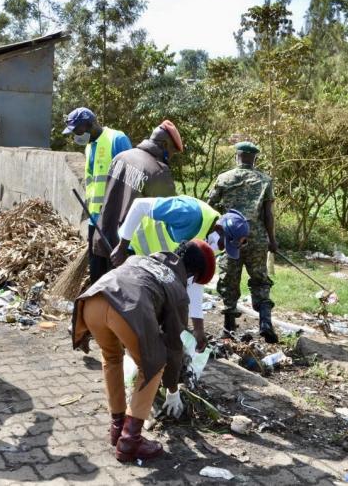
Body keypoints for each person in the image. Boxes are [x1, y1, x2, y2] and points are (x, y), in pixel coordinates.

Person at [72, 240, 217, 463]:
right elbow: (174, 347)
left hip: (92, 301)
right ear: (193, 274)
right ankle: (130, 440)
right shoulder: (177, 289)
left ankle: (117, 427)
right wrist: (172, 389)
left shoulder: (142, 258)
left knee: (111, 358)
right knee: (153, 364)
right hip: (127, 309)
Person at [110, 195, 250, 349]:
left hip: (155, 266)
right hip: (132, 246)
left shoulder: (210, 245)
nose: (221, 249)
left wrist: (198, 328)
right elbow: (140, 205)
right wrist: (123, 246)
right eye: (223, 244)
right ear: (218, 229)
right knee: (127, 308)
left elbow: (196, 282)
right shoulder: (190, 213)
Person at [208, 141, 278, 343]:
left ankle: (228, 328)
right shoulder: (265, 180)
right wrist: (272, 240)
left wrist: (215, 230)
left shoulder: (224, 178)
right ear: (254, 158)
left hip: (231, 236)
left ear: (237, 156)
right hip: (256, 238)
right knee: (260, 279)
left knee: (229, 279)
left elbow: (210, 206)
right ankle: (265, 323)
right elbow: (268, 215)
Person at [93, 120, 183, 270]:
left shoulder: (120, 157)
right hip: (127, 251)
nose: (171, 156)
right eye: (173, 151)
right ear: (164, 145)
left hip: (104, 236)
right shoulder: (158, 171)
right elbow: (167, 214)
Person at [63, 107, 132, 283]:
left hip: (113, 220)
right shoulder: (89, 147)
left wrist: (122, 217)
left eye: (77, 130)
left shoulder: (117, 139)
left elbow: (130, 182)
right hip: (95, 219)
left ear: (90, 124)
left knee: (114, 272)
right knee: (97, 271)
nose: (76, 136)